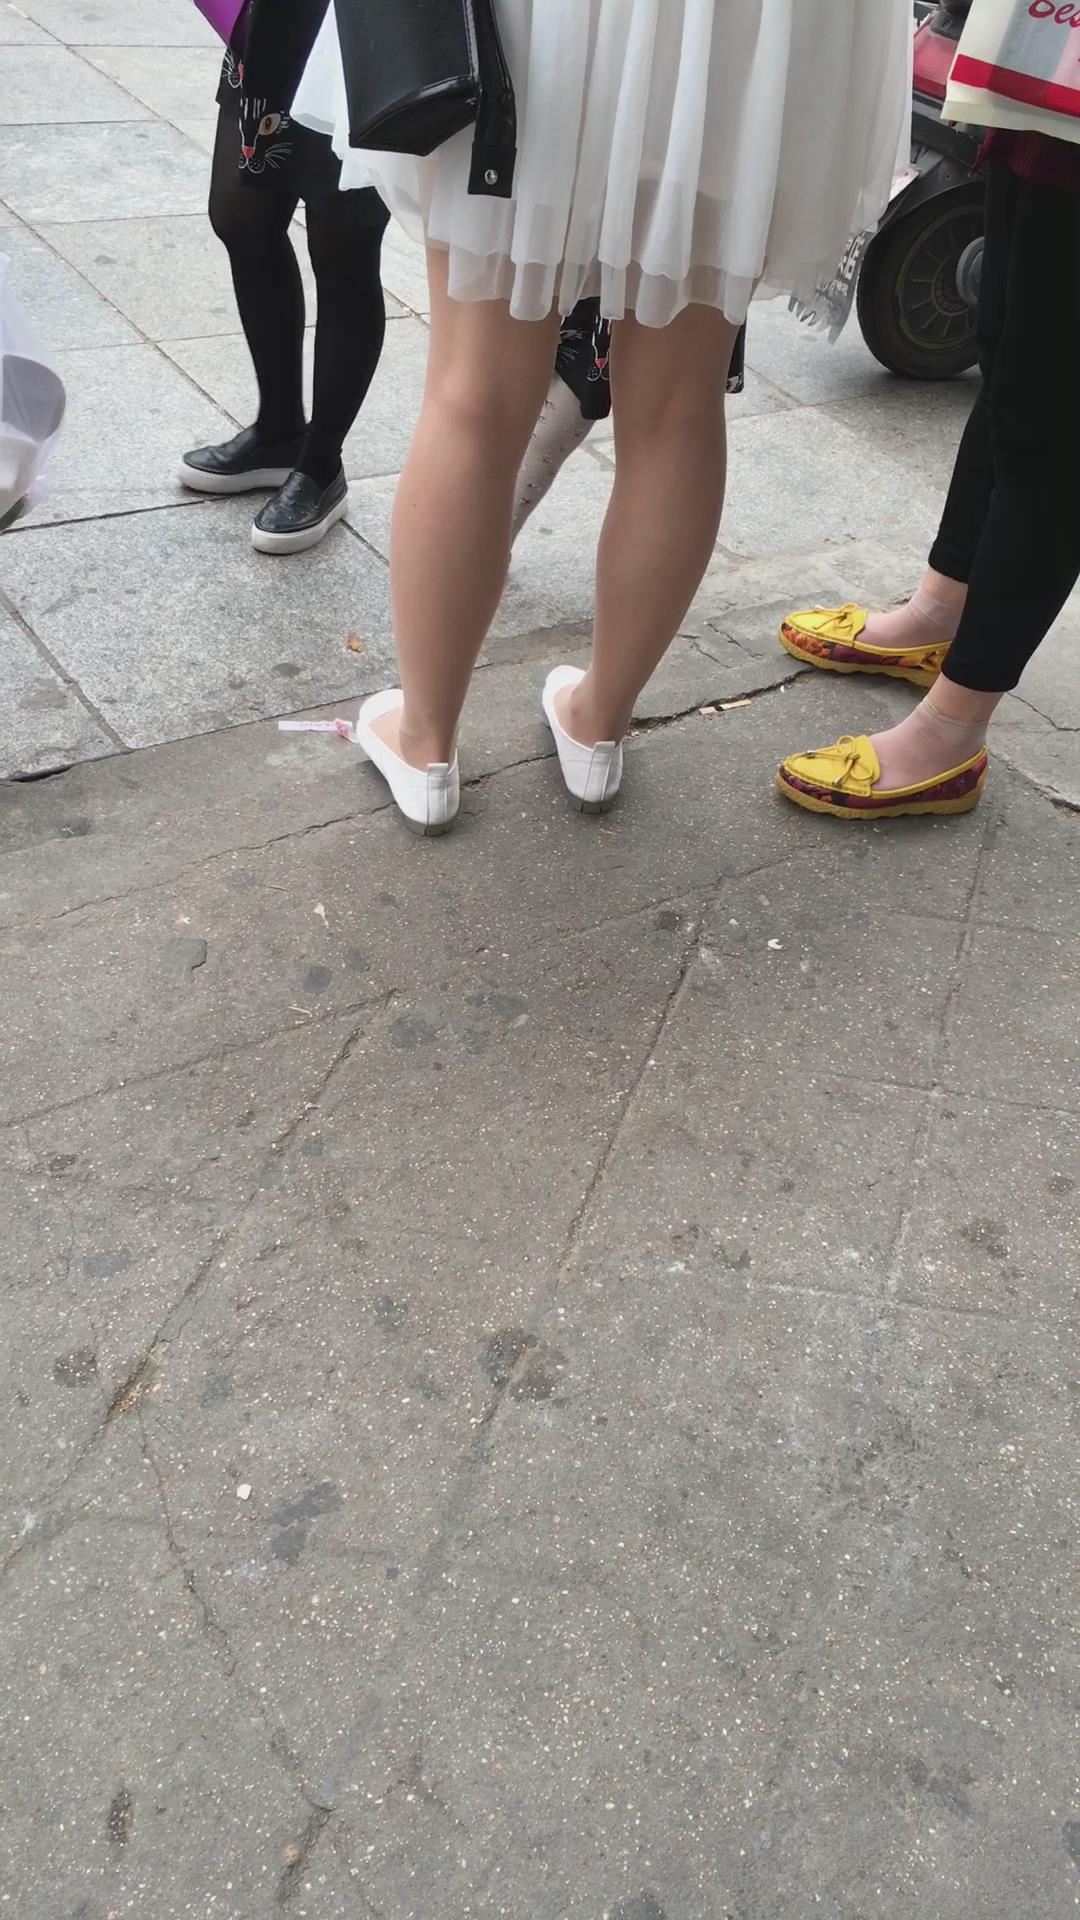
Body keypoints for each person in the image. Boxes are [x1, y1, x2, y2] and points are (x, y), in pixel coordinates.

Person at [292, 0, 911, 834]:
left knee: (475, 396)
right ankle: (598, 725)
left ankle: (424, 742)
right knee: (678, 404)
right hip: (745, 40)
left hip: (554, 32)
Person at [777, 125, 1080, 821]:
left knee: (1055, 410)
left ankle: (953, 731)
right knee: (1009, 361)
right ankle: (939, 615)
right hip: (1053, 113)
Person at [180, 0, 389, 554]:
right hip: (273, 20)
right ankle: (278, 431)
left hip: (358, 32)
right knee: (240, 218)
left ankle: (320, 466)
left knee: (343, 248)